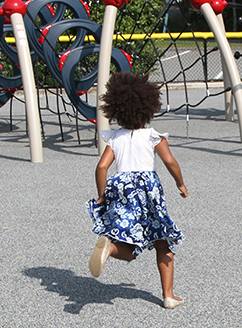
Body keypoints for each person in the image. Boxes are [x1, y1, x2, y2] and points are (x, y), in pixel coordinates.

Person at [86, 72, 187, 309]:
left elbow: (101, 166)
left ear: (117, 109)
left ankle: (111, 248)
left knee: (130, 246)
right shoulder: (153, 136)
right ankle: (169, 296)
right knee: (163, 240)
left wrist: (102, 195)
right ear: (149, 107)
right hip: (148, 191)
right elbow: (170, 161)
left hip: (122, 188)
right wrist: (180, 183)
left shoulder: (116, 138)